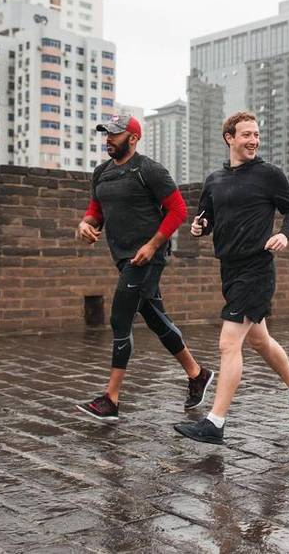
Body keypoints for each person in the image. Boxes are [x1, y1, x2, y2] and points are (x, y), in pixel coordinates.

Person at [173, 111, 289, 445]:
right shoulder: (214, 180)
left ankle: (215, 423)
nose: (253, 141)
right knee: (259, 340)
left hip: (257, 268)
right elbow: (207, 218)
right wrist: (199, 227)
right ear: (229, 138)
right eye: (246, 135)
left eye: (256, 135)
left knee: (229, 343)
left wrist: (284, 234)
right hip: (229, 268)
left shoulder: (269, 175)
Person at [75, 114, 214, 423]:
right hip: (123, 257)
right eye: (106, 134)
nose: (108, 139)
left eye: (115, 134)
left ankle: (111, 399)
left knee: (119, 318)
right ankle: (197, 373)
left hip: (147, 257)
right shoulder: (101, 173)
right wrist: (85, 224)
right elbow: (96, 210)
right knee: (154, 317)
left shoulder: (149, 170)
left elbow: (178, 210)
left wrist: (152, 246)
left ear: (133, 138)